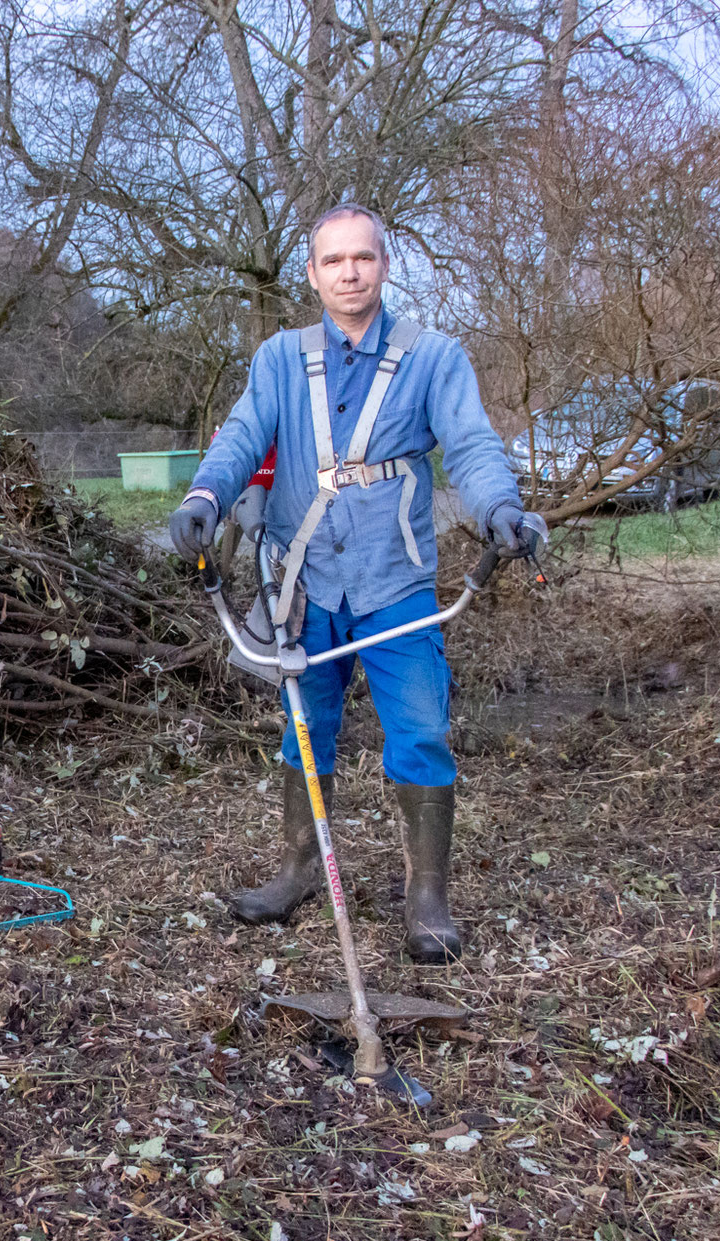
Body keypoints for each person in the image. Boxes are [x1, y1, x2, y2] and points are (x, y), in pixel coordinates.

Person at [169, 204, 545, 963]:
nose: (349, 271)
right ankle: (299, 868)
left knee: (420, 730)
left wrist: (501, 506)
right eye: (333, 260)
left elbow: (471, 445)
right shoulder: (278, 357)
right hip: (304, 582)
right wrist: (205, 498)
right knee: (306, 725)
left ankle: (427, 896)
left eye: (363, 258)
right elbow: (243, 433)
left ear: (383, 265)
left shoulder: (435, 357)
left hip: (393, 580)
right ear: (312, 273)